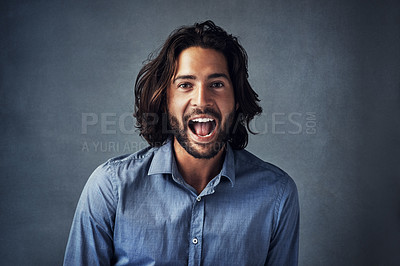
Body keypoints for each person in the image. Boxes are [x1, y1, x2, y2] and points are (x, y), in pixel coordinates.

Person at [64, 20, 299, 265]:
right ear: (166, 100)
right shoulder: (110, 188)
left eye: (216, 84)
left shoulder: (277, 195)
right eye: (185, 85)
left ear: (237, 99)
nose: (202, 100)